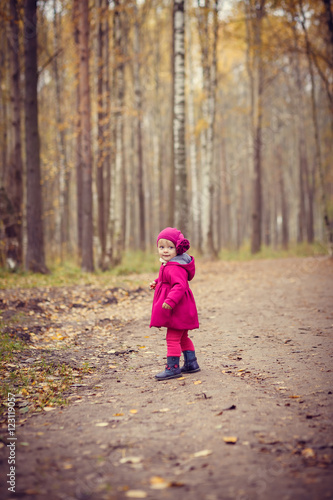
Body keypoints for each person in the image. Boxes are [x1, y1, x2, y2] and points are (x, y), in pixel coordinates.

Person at [149, 227, 200, 380]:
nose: (165, 251)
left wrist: (170, 300)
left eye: (170, 247)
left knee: (172, 337)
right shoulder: (169, 264)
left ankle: (173, 368)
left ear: (177, 248)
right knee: (183, 337)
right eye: (161, 247)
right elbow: (167, 278)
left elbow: (179, 285)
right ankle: (191, 364)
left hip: (177, 306)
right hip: (181, 306)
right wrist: (157, 282)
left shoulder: (176, 266)